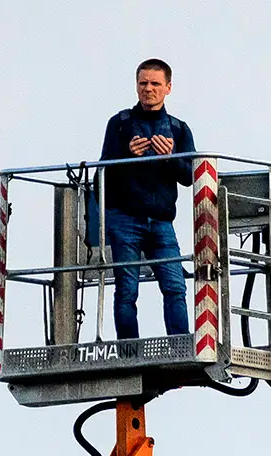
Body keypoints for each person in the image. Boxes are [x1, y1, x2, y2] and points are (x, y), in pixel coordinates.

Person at [99, 58, 197, 340]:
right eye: (143, 83)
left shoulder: (179, 129)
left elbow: (190, 176)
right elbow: (102, 174)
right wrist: (127, 156)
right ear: (136, 85)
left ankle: (180, 344)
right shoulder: (119, 124)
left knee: (175, 286)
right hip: (125, 218)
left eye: (155, 83)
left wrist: (171, 159)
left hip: (162, 221)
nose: (148, 89)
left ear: (168, 87)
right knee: (127, 289)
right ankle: (129, 348)